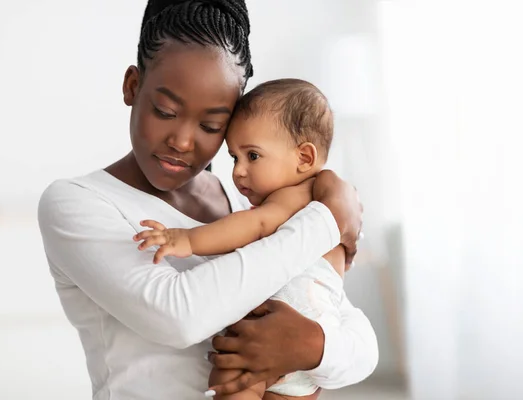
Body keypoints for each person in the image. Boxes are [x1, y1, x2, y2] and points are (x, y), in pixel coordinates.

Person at [37, 1, 379, 399]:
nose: (182, 141)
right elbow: (180, 316)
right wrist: (327, 217)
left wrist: (313, 347)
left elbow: (359, 343)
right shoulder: (78, 203)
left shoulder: (249, 197)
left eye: (211, 124)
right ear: (133, 86)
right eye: (165, 111)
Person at [134, 78, 355, 400]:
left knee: (232, 383)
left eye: (252, 156)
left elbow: (256, 224)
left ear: (304, 158)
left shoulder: (294, 197)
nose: (238, 171)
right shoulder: (331, 201)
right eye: (234, 157)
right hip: (313, 342)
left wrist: (187, 239)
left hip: (267, 333)